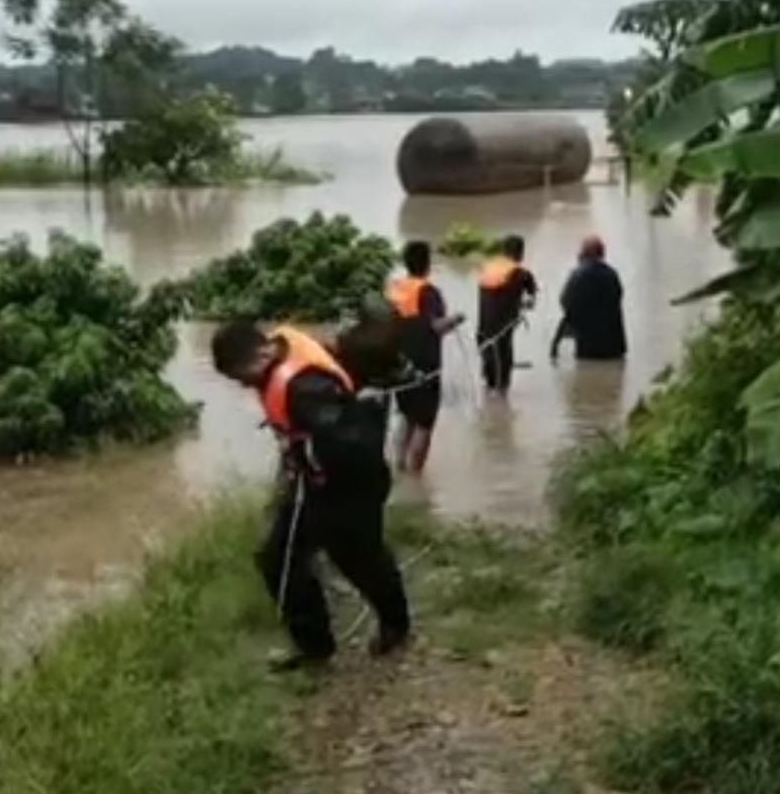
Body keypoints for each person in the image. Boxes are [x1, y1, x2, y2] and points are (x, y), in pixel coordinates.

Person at [210, 321, 411, 670]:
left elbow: (348, 443)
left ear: (260, 352)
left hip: (348, 483)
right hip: (311, 480)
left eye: (242, 375)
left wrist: (308, 457)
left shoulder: (304, 388)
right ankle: (315, 647)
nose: (244, 385)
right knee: (277, 559)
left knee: (359, 557)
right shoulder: (284, 342)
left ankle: (396, 625)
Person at [385, 240, 465, 472]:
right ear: (428, 264)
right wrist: (457, 319)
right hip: (425, 368)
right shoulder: (428, 292)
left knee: (406, 416)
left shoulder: (394, 289)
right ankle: (415, 477)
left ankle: (399, 467)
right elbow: (436, 327)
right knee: (424, 424)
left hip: (398, 365)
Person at [476, 234, 537, 393]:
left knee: (489, 377)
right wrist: (527, 302)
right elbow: (531, 294)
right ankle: (502, 402)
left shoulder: (487, 268)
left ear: (503, 251)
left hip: (483, 332)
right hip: (502, 333)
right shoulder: (520, 273)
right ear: (520, 254)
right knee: (503, 381)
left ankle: (490, 395)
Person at [550, 235, 627, 362]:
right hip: (614, 347)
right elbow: (618, 296)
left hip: (588, 349)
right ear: (602, 253)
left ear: (584, 253)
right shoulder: (612, 274)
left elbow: (565, 302)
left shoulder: (577, 274)